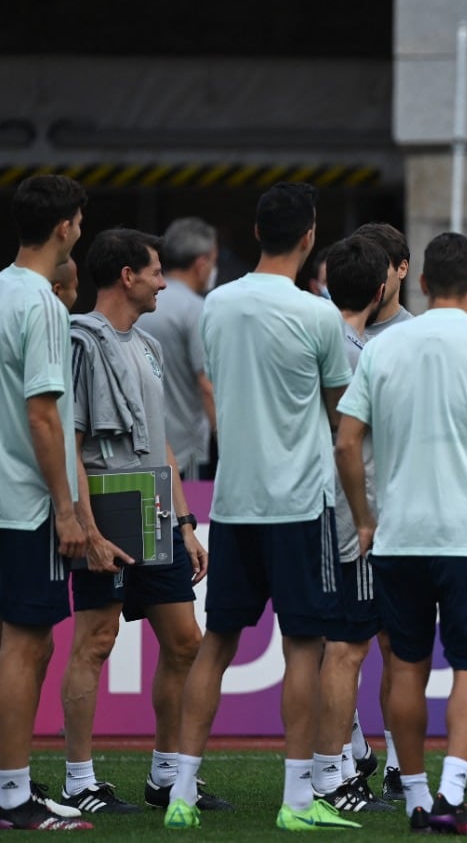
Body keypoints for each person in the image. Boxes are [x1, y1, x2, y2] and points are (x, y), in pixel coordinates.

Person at [162, 182, 359, 832]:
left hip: (235, 501)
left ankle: (182, 792)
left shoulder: (216, 304)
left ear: (254, 232)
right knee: (304, 647)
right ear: (309, 236)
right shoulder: (319, 315)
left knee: (217, 643)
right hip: (300, 504)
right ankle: (297, 800)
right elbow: (339, 410)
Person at [335, 231, 467, 834]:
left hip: (400, 535)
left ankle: (415, 797)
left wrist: (365, 518)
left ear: (423, 282)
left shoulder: (383, 348)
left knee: (405, 666)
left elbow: (347, 442)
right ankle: (451, 793)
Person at [58, 229, 228, 816]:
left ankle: (166, 775)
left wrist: (185, 523)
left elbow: (163, 444)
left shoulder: (149, 345)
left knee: (185, 642)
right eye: (155, 272)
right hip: (106, 511)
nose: (163, 282)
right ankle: (79, 781)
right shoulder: (80, 342)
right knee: (96, 641)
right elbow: (70, 446)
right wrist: (87, 528)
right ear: (127, 276)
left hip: (156, 510)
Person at [0, 173, 93, 831]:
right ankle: (11, 794)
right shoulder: (42, 304)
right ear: (65, 227)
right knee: (26, 646)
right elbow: (42, 414)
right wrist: (66, 508)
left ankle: (11, 782)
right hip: (26, 503)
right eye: (79, 222)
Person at [309, 235, 395, 814]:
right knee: (347, 647)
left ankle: (343, 759)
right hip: (346, 515)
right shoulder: (357, 354)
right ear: (383, 287)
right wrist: (366, 518)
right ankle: (333, 775)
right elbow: (351, 443)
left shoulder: (321, 339)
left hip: (312, 506)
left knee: (328, 644)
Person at [347, 221, 416, 798]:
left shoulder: (415, 337)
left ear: (402, 269)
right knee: (336, 642)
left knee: (395, 642)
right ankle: (345, 750)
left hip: (396, 511)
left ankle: (396, 761)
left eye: (382, 263)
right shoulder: (328, 330)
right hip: (337, 510)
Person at [136, 217, 218, 482]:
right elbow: (206, 385)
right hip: (186, 450)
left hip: (144, 445)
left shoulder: (144, 302)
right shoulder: (195, 309)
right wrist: (226, 442)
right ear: (201, 263)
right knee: (189, 509)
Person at [353, 222, 414, 336]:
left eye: (379, 267)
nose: (370, 276)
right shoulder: (334, 330)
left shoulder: (415, 334)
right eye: (363, 266)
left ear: (402, 269)